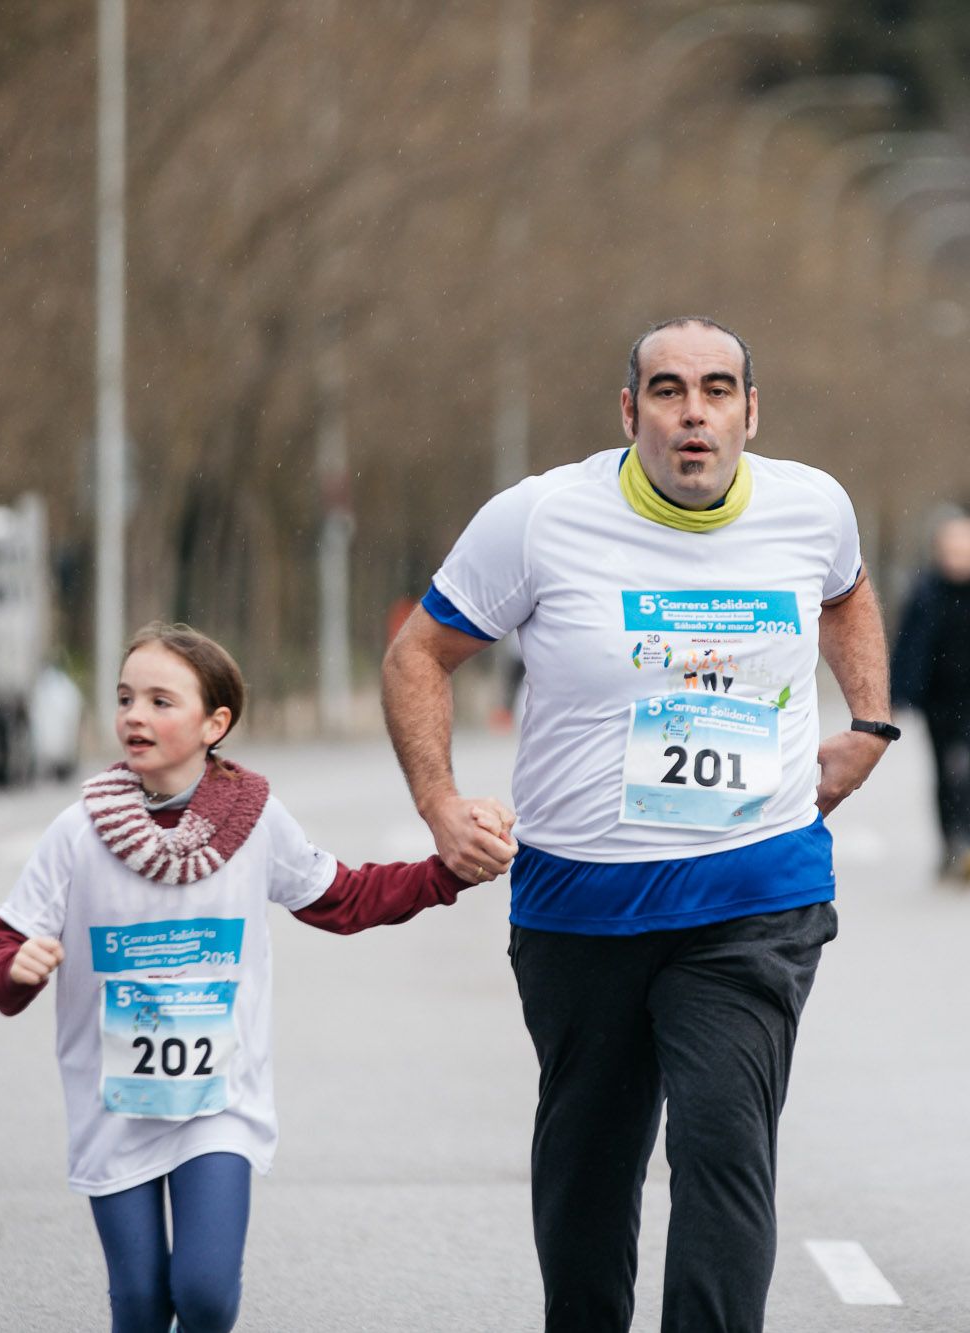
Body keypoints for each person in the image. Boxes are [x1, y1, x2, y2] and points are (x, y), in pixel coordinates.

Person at [382, 316, 895, 1332]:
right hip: (581, 903)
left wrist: (870, 723)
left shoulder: (809, 506)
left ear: (751, 411)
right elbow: (417, 656)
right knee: (590, 1166)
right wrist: (441, 806)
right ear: (629, 412)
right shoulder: (537, 520)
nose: (691, 413)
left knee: (721, 1142)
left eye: (714, 390)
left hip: (754, 896)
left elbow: (844, 596)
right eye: (666, 390)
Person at [0, 622, 501, 1333]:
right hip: (113, 1105)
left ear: (214, 722)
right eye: (127, 697)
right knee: (138, 1303)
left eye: (162, 700)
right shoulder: (78, 832)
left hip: (218, 1103)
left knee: (206, 1293)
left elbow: (342, 897)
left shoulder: (254, 822)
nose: (135, 715)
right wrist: (16, 969)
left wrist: (446, 872)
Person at [889, 512, 970, 884]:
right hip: (938, 699)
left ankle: (969, 842)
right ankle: (948, 841)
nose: (959, 558)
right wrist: (898, 694)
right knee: (943, 773)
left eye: (967, 550)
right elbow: (908, 646)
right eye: (952, 550)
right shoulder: (925, 593)